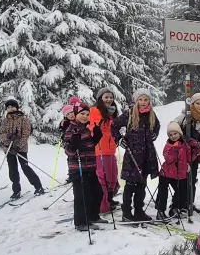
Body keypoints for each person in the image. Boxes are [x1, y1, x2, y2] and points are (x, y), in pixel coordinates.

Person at [116, 89, 160, 222]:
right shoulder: (129, 113)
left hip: (147, 155)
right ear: (136, 100)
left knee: (142, 184)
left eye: (146, 100)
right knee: (130, 185)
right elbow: (114, 125)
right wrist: (119, 139)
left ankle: (139, 211)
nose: (143, 102)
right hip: (132, 155)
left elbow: (157, 126)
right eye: (140, 99)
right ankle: (127, 213)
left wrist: (155, 134)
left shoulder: (152, 113)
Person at [64, 102, 106, 231]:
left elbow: (89, 146)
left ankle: (93, 216)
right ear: (76, 114)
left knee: (97, 192)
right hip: (78, 168)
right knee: (82, 196)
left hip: (90, 166)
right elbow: (68, 151)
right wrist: (73, 145)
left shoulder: (85, 128)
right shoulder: (71, 130)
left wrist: (97, 137)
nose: (85, 116)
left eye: (87, 114)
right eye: (82, 114)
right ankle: (81, 222)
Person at [0, 98, 45, 199]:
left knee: (25, 168)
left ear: (17, 107)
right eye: (8, 107)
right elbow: (2, 133)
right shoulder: (5, 121)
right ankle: (16, 190)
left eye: (12, 106)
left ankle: (38, 186)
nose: (10, 109)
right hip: (9, 149)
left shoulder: (24, 119)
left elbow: (26, 134)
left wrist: (18, 146)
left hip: (21, 149)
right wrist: (7, 142)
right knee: (12, 169)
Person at [157, 121, 200, 221]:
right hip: (167, 174)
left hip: (180, 174)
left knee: (181, 192)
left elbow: (190, 158)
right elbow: (168, 159)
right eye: (170, 134)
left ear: (180, 134)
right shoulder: (168, 146)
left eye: (175, 133)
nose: (173, 136)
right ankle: (160, 211)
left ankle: (175, 208)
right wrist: (174, 150)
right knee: (163, 192)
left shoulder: (185, 145)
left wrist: (196, 148)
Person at [174, 92, 200, 213]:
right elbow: (172, 128)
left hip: (194, 155)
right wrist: (181, 133)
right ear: (192, 104)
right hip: (181, 153)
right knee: (181, 179)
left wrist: (198, 137)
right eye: (197, 103)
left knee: (192, 179)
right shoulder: (184, 116)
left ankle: (189, 203)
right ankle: (177, 204)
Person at [89, 88, 122, 214]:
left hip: (111, 149)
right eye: (106, 97)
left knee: (113, 178)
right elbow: (94, 126)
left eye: (110, 97)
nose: (109, 99)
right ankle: (103, 206)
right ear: (100, 98)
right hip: (100, 150)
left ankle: (109, 199)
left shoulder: (113, 112)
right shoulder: (95, 110)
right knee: (104, 178)